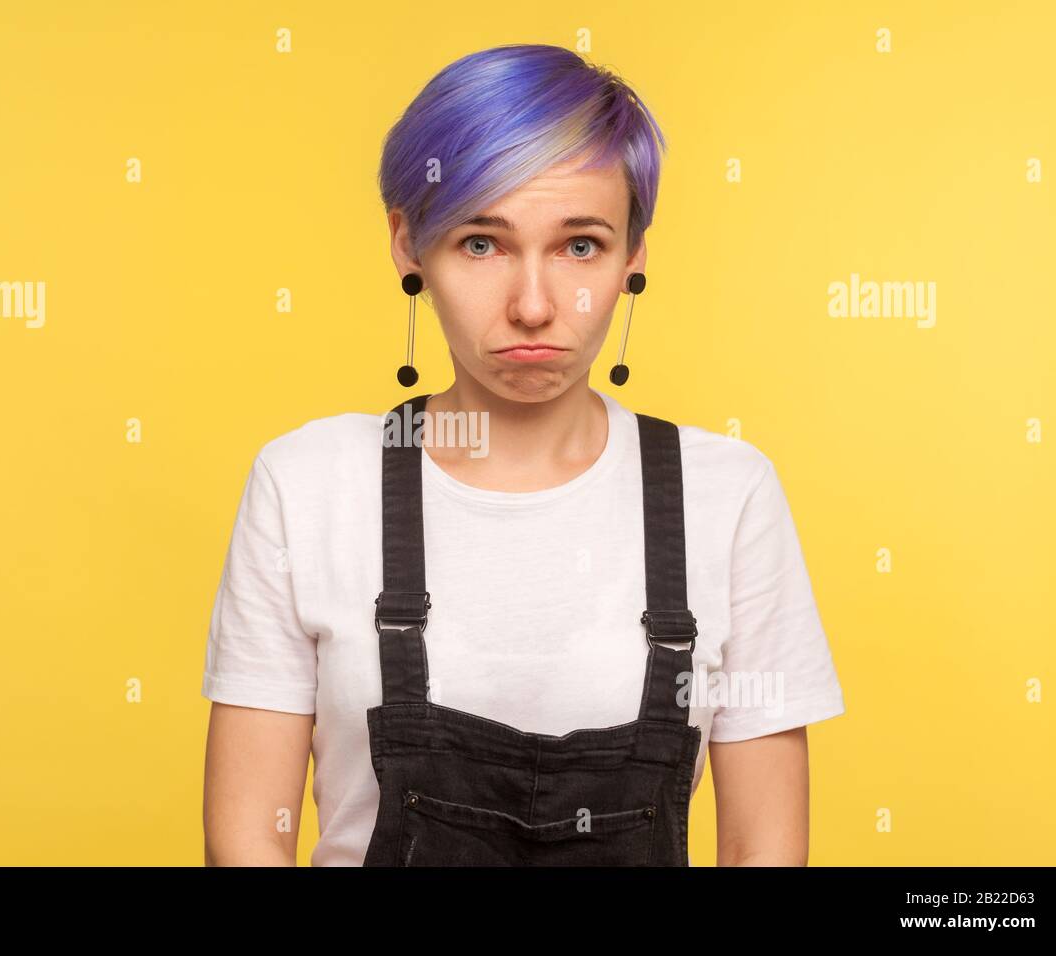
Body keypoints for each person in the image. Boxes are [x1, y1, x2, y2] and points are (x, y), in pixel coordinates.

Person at [202, 43, 844, 866]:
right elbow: (248, 843)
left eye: (580, 246)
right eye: (482, 243)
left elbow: (764, 851)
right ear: (408, 245)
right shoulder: (308, 485)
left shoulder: (727, 496)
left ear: (633, 256)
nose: (534, 306)